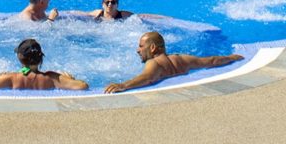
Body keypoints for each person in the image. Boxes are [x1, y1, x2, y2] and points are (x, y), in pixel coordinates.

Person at [104, 31, 243, 94]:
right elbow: (211, 61)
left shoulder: (154, 63)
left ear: (152, 48)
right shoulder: (182, 59)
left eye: (141, 46)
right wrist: (231, 58)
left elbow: (147, 78)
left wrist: (123, 85)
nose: (138, 50)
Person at [0, 39, 88, 91]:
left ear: (20, 57)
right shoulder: (51, 78)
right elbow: (83, 86)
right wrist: (70, 79)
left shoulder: (12, 78)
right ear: (40, 58)